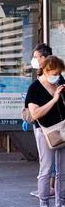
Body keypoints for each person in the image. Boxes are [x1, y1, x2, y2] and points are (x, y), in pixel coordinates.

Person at [26, 55, 65, 207]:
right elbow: (35, 114)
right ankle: (44, 203)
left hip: (62, 129)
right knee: (46, 169)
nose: (58, 76)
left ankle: (61, 202)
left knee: (62, 170)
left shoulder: (61, 82)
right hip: (46, 131)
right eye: (55, 73)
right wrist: (54, 99)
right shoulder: (34, 89)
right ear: (46, 71)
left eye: (59, 73)